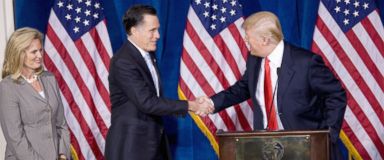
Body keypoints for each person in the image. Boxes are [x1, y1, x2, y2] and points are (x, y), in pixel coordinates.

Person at [198, 11, 347, 159]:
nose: (245, 41)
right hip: (267, 149)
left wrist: (328, 135)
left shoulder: (306, 62)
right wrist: (212, 102)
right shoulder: (254, 59)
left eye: (248, 38)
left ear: (265, 40)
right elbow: (243, 88)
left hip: (306, 149)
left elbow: (336, 95)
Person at [104, 5, 212, 160]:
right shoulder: (124, 61)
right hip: (132, 147)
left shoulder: (147, 54)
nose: (158, 35)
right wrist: (191, 105)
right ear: (134, 31)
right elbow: (147, 103)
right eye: (152, 30)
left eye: (158, 29)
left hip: (154, 142)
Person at [0, 27, 70, 160]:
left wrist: (62, 155)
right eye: (34, 52)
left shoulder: (49, 78)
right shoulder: (8, 87)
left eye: (40, 50)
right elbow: (15, 138)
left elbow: (61, 124)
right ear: (19, 54)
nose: (39, 55)